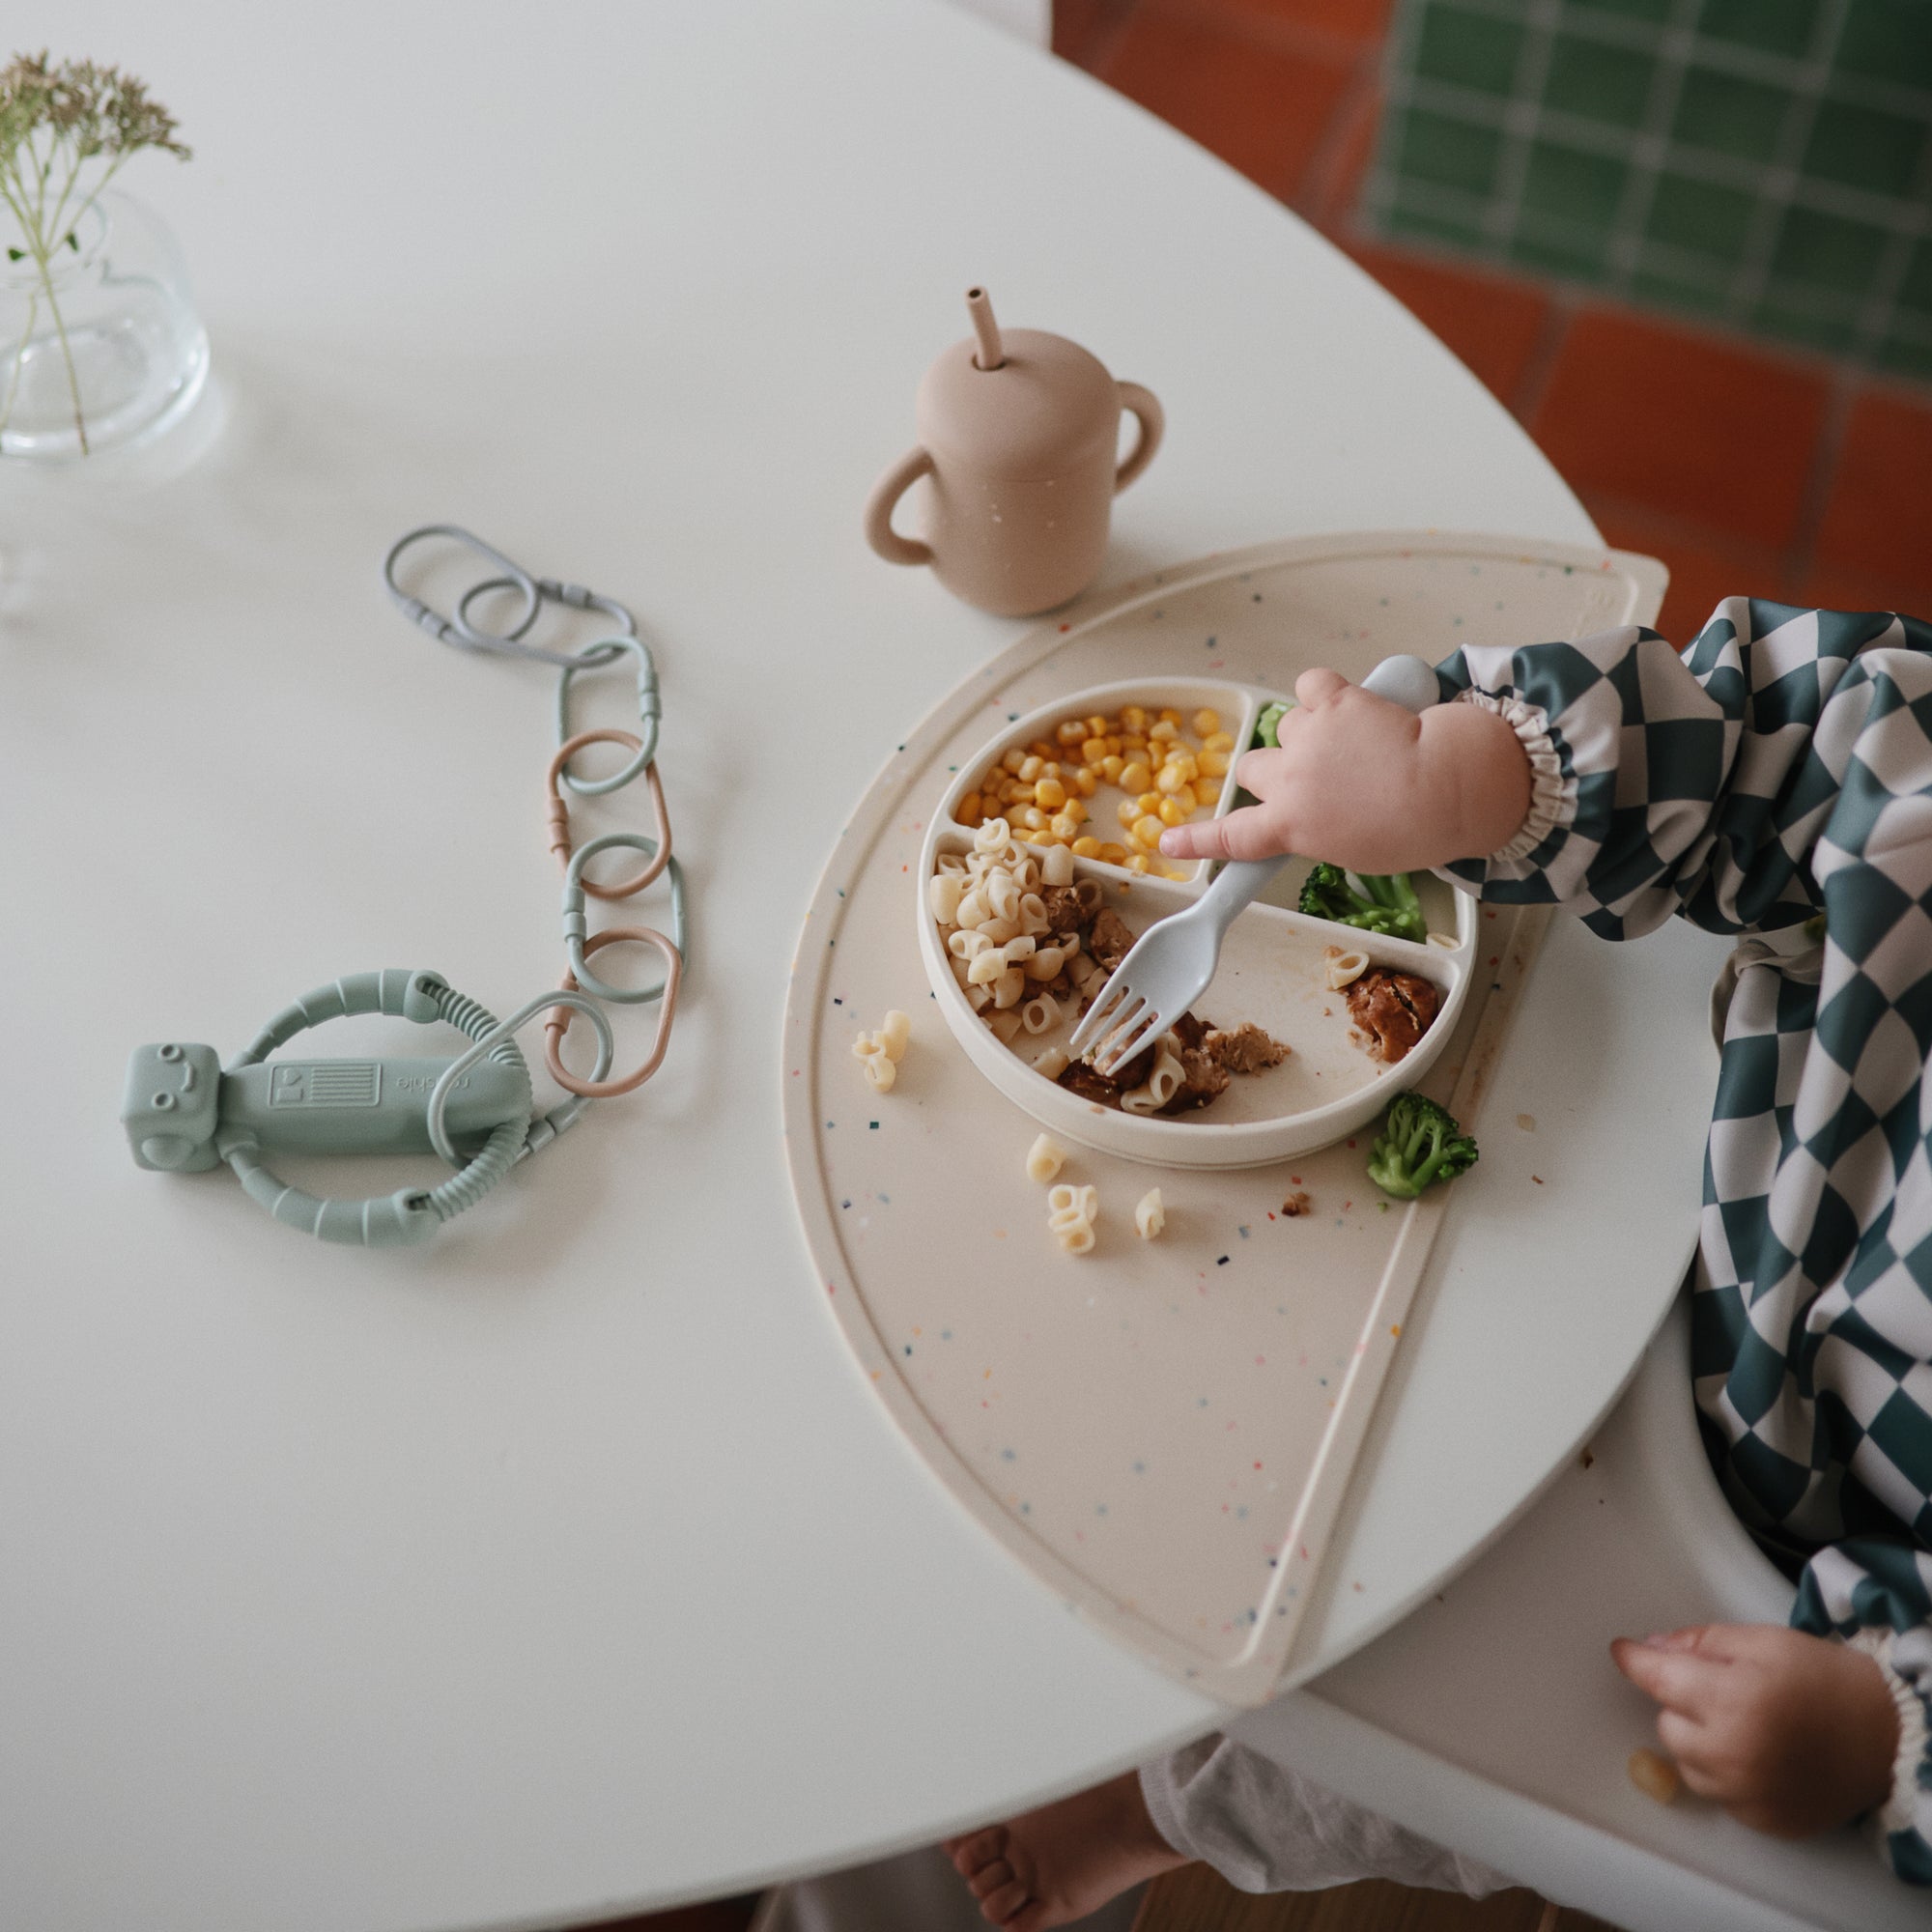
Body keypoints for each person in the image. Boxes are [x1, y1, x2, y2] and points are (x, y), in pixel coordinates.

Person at [947, 599, 1932, 1928]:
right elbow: (1796, 737)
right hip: (1690, 1138)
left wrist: (1889, 1731)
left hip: (1788, 1545)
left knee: (1474, 1720)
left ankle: (1167, 1808)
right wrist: (1481, 778)